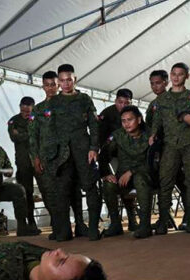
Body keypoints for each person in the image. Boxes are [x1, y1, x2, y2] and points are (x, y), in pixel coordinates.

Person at [29, 71, 87, 240]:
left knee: (74, 190)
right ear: (43, 86)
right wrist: (35, 158)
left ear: (58, 85)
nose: (50, 88)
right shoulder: (38, 109)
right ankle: (59, 227)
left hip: (67, 155)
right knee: (51, 194)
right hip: (47, 158)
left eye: (53, 84)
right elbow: (33, 136)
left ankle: (80, 224)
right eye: (47, 85)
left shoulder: (67, 104)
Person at [46, 64, 101, 241]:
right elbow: (49, 130)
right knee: (62, 191)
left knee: (90, 187)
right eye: (62, 80)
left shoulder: (84, 99)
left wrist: (94, 148)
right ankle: (64, 231)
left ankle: (93, 228)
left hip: (83, 150)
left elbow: (94, 124)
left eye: (69, 80)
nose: (66, 83)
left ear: (74, 79)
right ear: (58, 82)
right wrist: (51, 155)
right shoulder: (54, 102)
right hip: (62, 153)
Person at [152, 63, 190, 234]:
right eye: (173, 74)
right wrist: (153, 135)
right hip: (170, 145)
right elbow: (157, 121)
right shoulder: (162, 99)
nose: (176, 77)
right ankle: (163, 220)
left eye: (180, 74)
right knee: (165, 182)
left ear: (187, 76)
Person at [99, 106, 153, 238]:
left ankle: (145, 225)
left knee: (140, 179)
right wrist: (106, 174)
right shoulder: (118, 135)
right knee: (108, 184)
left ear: (139, 120)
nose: (126, 124)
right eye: (123, 121)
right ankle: (115, 224)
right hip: (123, 179)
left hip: (146, 177)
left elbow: (155, 162)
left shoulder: (150, 135)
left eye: (130, 120)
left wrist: (132, 171)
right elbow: (103, 155)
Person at [97, 89, 139, 231]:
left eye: (127, 103)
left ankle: (133, 220)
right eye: (120, 102)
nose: (123, 105)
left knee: (129, 184)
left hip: (133, 157)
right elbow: (101, 146)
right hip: (112, 156)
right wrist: (105, 172)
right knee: (113, 184)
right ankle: (116, 222)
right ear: (115, 101)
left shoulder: (135, 114)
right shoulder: (107, 114)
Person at [8, 96, 41, 233]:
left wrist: (23, 134)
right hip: (23, 163)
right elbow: (14, 137)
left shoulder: (39, 118)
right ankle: (30, 222)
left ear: (33, 108)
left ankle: (56, 221)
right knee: (26, 193)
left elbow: (43, 136)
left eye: (28, 111)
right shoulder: (13, 121)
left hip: (39, 160)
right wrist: (31, 134)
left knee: (46, 189)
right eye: (22, 111)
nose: (25, 114)